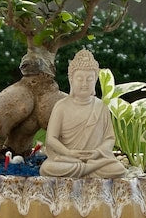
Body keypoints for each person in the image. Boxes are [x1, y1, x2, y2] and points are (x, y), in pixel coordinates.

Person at [39, 49, 126, 178]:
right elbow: (51, 139)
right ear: (71, 80)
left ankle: (86, 168)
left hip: (94, 158)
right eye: (79, 78)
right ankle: (89, 169)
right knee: (47, 168)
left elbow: (109, 139)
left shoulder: (101, 107)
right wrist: (68, 153)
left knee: (117, 169)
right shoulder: (61, 106)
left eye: (89, 79)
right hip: (68, 158)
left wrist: (97, 152)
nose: (84, 83)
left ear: (95, 80)